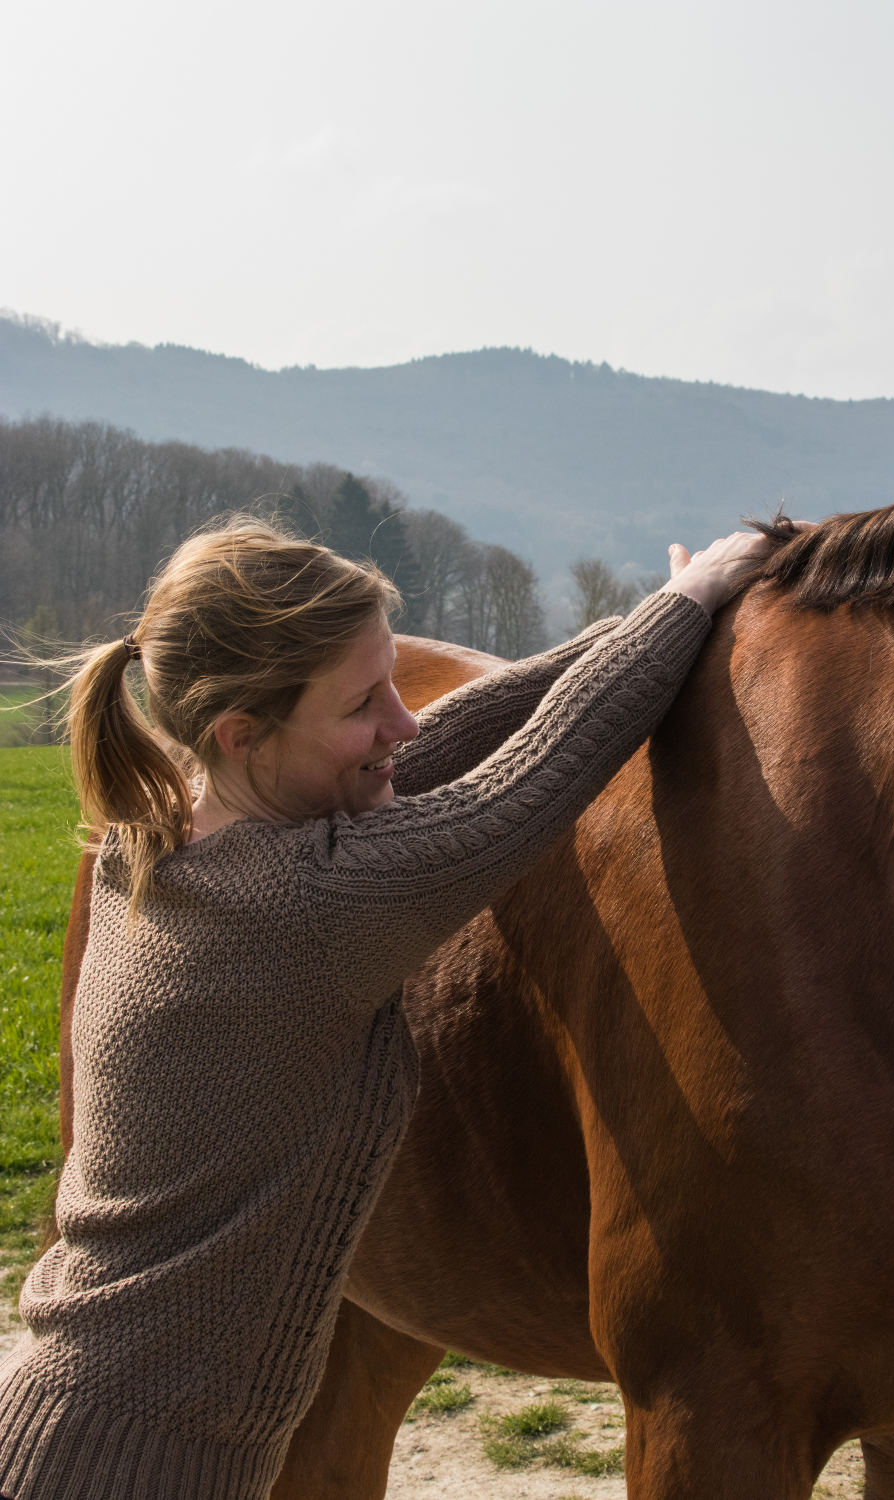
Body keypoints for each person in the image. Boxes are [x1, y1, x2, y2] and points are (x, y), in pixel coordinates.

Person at [0, 515, 771, 1500]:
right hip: (132, 1474)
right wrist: (687, 608)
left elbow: (446, 736)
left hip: (69, 1435)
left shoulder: (153, 844)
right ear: (245, 733)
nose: (401, 723)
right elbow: (531, 785)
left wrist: (634, 626)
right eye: (365, 703)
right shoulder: (307, 906)